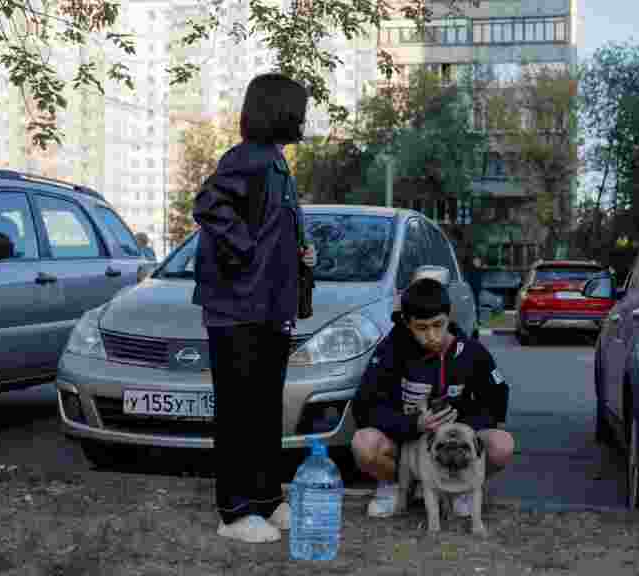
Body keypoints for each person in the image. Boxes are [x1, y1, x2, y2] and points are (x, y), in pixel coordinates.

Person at [192, 72, 317, 544]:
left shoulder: (275, 163)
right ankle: (236, 510)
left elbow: (270, 227)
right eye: (298, 109)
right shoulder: (248, 158)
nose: (304, 118)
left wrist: (299, 254)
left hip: (268, 308)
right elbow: (208, 204)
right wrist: (247, 252)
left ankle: (267, 499)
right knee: (241, 412)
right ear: (279, 110)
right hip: (238, 309)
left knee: (264, 410)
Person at [351, 277, 514, 518]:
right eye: (422, 328)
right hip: (406, 444)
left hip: (453, 443)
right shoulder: (391, 350)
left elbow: (497, 403)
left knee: (502, 444)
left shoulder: (471, 352)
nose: (432, 336)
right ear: (407, 323)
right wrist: (413, 424)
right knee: (363, 443)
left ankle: (461, 489)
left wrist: (461, 427)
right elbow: (364, 407)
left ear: (449, 317)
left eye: (438, 325)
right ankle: (394, 487)